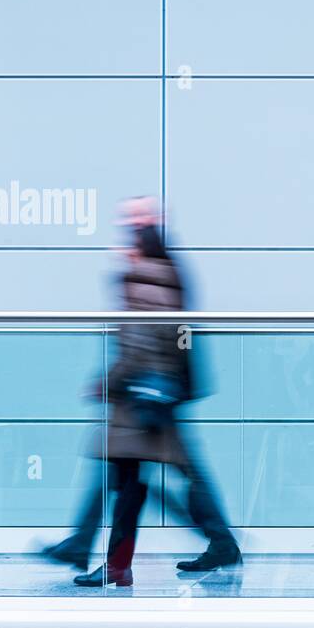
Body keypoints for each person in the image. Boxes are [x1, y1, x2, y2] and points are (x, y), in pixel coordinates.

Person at [73, 206, 240, 587]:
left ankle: (219, 542)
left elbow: (139, 340)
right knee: (140, 481)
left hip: (143, 397)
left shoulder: (144, 276)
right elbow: (174, 335)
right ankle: (114, 560)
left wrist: (108, 382)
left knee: (143, 481)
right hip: (159, 393)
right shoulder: (166, 272)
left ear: (138, 240)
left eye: (126, 234)